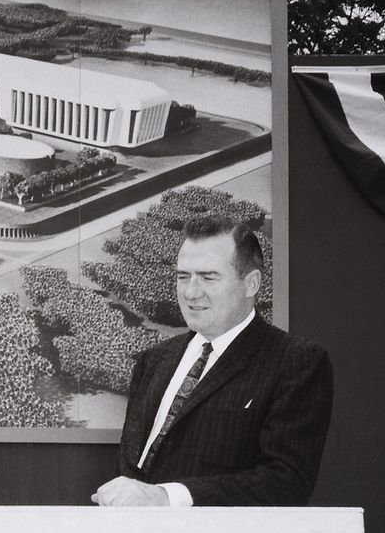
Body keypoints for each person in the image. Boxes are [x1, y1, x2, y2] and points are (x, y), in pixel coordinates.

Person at [94, 213, 333, 507]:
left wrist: (168, 496)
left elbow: (287, 481)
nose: (191, 292)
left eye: (209, 277)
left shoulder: (295, 362)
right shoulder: (153, 362)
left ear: (251, 284)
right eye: (183, 277)